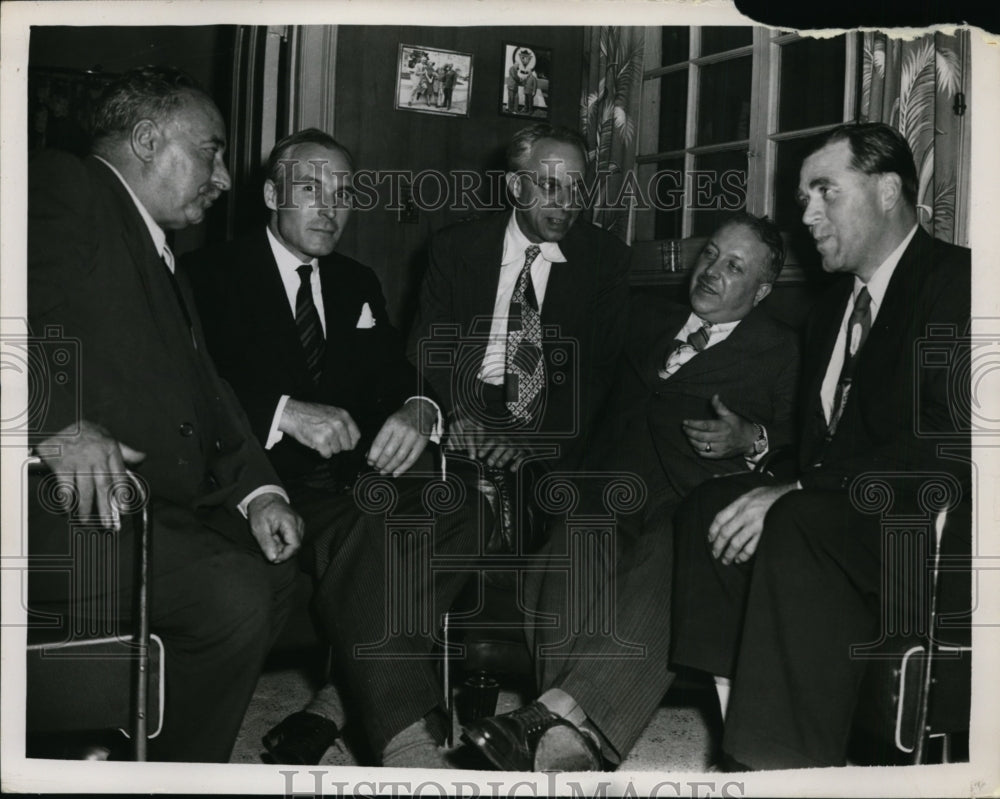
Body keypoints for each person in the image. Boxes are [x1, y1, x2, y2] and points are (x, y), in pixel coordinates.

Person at [670, 122, 971, 770]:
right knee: (711, 507)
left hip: (915, 525)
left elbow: (948, 441)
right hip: (837, 510)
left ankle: (777, 765)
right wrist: (765, 466)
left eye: (825, 191)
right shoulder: (831, 309)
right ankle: (746, 736)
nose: (806, 214)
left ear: (887, 191)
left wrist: (801, 488)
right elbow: (817, 447)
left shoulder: (957, 282)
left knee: (795, 517)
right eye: (804, 197)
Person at [183, 128, 485, 769]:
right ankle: (406, 743)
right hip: (259, 484)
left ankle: (335, 701)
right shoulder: (206, 275)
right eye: (311, 189)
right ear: (272, 195)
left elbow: (396, 372)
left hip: (350, 479)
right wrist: (283, 413)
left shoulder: (355, 281)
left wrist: (419, 408)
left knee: (463, 508)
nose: (330, 207)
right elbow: (191, 392)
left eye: (343, 193)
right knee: (376, 532)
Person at [27, 66, 303, 762]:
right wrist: (53, 422)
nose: (224, 177)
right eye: (211, 152)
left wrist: (259, 491)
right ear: (148, 140)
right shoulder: (67, 188)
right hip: (59, 516)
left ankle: (142, 753)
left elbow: (211, 394)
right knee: (231, 593)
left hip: (150, 511)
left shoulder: (162, 253)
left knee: (279, 572)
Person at [461, 213, 800, 771]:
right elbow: (574, 386)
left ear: (761, 291)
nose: (712, 270)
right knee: (576, 541)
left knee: (671, 556)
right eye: (710, 253)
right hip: (608, 485)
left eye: (734, 266)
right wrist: (517, 434)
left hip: (695, 497)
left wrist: (753, 438)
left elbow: (807, 443)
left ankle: (550, 722)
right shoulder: (641, 316)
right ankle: (566, 742)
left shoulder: (782, 349)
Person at [408, 123, 630, 479]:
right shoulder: (455, 248)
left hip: (552, 420)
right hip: (463, 406)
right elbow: (428, 347)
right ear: (515, 186)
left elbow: (596, 373)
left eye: (576, 188)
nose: (567, 204)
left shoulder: (605, 259)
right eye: (550, 186)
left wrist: (530, 440)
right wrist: (459, 415)